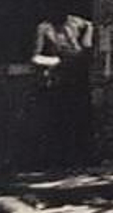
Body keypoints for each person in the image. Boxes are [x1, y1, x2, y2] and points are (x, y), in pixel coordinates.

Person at [31, 9, 95, 166]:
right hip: (58, 78)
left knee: (80, 117)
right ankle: (59, 158)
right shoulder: (44, 28)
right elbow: (35, 57)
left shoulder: (77, 23)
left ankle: (82, 156)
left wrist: (86, 42)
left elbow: (88, 36)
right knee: (59, 118)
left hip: (77, 76)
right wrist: (54, 62)